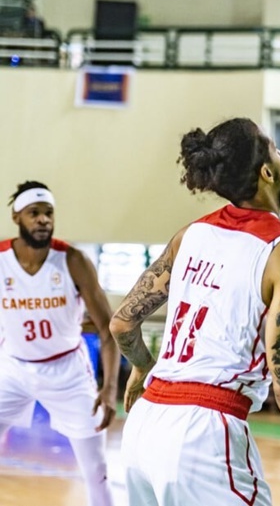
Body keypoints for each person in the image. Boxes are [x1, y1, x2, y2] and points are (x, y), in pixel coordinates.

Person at [109, 118, 280, 506]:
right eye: (275, 148)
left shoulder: (191, 234)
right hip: (204, 432)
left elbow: (122, 322)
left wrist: (141, 366)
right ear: (267, 172)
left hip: (144, 427)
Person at [0, 180, 118, 506]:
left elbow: (109, 332)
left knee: (97, 471)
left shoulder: (73, 260)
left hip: (68, 372)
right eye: (34, 213)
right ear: (16, 217)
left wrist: (108, 390)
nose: (43, 220)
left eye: (48, 213)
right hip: (12, 368)